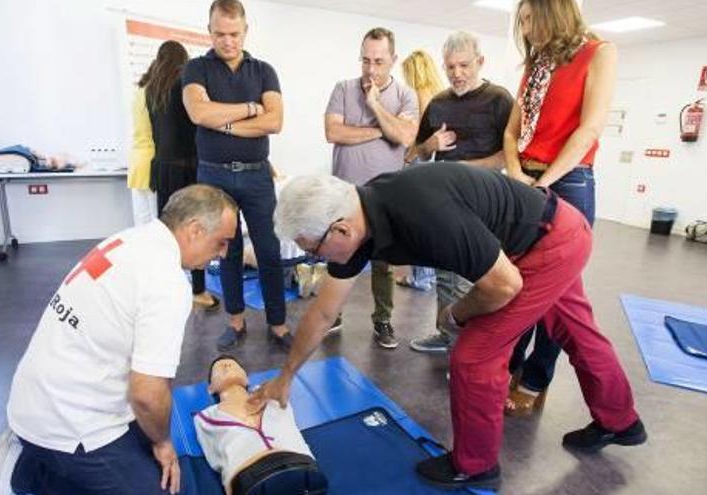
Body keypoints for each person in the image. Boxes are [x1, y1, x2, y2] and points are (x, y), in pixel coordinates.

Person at [250, 164, 646, 490]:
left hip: (547, 243)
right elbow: (322, 313)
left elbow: (504, 285)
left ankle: (476, 465)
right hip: (551, 232)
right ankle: (620, 421)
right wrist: (286, 376)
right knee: (575, 330)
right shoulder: (357, 220)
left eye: (312, 250)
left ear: (340, 230)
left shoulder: (420, 212)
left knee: (475, 355)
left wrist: (455, 314)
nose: (315, 259)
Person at [7, 185, 238, 495]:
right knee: (161, 478)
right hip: (69, 426)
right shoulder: (166, 283)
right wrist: (164, 442)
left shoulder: (129, 239)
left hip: (28, 404)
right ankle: (49, 470)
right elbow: (146, 394)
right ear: (195, 230)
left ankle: (40, 471)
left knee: (143, 436)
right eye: (221, 242)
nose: (223, 253)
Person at [502, 0, 617, 417]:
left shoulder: (599, 52)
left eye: (532, 19)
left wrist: (543, 184)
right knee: (517, 281)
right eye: (523, 21)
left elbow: (589, 128)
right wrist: (516, 174)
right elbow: (513, 130)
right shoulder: (536, 66)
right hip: (526, 178)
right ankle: (508, 364)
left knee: (556, 292)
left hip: (567, 180)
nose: (527, 29)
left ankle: (536, 378)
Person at [183, 0, 291, 352]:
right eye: (219, 34)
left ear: (245, 31)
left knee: (269, 250)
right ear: (209, 31)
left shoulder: (264, 71)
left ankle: (277, 323)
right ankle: (235, 321)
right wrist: (247, 111)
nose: (227, 41)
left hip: (257, 176)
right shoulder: (196, 68)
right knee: (225, 251)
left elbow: (274, 121)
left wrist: (222, 123)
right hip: (212, 177)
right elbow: (199, 112)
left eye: (234, 34)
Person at [407, 31, 515, 354]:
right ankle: (446, 334)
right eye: (450, 66)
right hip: (444, 203)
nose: (457, 73)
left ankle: (470, 350)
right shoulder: (438, 103)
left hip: (485, 203)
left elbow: (510, 155)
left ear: (480, 62)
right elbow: (416, 152)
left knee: (475, 278)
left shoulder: (499, 100)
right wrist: (429, 145)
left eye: (464, 65)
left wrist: (465, 171)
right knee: (445, 274)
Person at [324, 27, 418, 348]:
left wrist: (375, 105)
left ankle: (383, 320)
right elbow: (333, 132)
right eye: (366, 60)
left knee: (383, 262)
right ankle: (332, 314)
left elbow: (405, 137)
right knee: (337, 254)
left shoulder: (406, 95)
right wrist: (382, 130)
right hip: (345, 193)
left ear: (393, 59)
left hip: (384, 196)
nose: (371, 69)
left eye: (379, 61)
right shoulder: (343, 88)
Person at [146, 40, 221, 312]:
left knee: (167, 231)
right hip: (188, 166)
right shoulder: (184, 84)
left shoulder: (151, 89)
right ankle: (198, 290)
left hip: (163, 167)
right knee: (196, 228)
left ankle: (165, 287)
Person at [195, 355, 328, 494]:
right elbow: (216, 459)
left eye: (233, 364)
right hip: (249, 479)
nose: (227, 365)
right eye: (219, 368)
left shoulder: (273, 392)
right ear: (210, 388)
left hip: (302, 467)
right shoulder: (206, 417)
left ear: (246, 379)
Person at [394, 49, 443, 292]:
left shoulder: (421, 94)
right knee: (430, 222)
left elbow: (420, 133)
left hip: (421, 162)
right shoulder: (439, 93)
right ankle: (428, 276)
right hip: (434, 163)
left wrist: (409, 155)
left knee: (417, 222)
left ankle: (421, 278)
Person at [127, 55, 158, 226]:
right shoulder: (155, 96)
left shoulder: (139, 93)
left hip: (136, 162)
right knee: (156, 221)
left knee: (142, 220)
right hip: (152, 161)